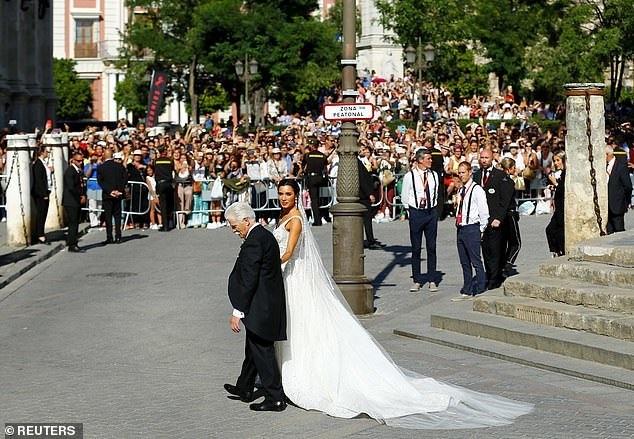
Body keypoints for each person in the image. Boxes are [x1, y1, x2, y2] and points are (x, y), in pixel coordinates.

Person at [272, 178, 532, 428]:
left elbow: (288, 253)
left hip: (295, 276)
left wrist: (266, 263)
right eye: (281, 193)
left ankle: (304, 372)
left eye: (288, 194)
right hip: (289, 278)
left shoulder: (295, 220)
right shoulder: (283, 216)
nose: (284, 198)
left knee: (303, 322)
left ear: (297, 195)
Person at [224, 202, 287, 412]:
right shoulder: (261, 236)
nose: (234, 230)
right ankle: (245, 387)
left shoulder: (255, 241)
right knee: (253, 348)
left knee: (262, 351)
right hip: (265, 304)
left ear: (246, 220)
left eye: (234, 226)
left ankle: (275, 397)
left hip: (261, 306)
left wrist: (237, 311)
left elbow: (249, 279)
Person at [473, 148, 514, 290]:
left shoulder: (500, 175)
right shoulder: (476, 176)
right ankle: (490, 275)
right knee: (486, 251)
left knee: (496, 251)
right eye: (482, 157)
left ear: (492, 159)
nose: (484, 160)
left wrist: (499, 218)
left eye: (486, 158)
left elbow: (506, 199)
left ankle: (494, 279)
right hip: (481, 221)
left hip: (495, 220)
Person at [400, 148, 440, 292]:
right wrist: (410, 211)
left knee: (431, 247)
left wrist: (434, 210)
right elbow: (405, 196)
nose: (431, 160)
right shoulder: (410, 176)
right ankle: (417, 279)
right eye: (428, 158)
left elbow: (436, 193)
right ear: (420, 160)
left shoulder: (434, 175)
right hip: (416, 213)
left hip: (431, 212)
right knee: (416, 248)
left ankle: (431, 279)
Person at [453, 162, 489, 299]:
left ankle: (480, 287)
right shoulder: (461, 190)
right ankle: (467, 288)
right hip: (461, 227)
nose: (461, 175)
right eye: (459, 172)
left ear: (469, 172)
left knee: (475, 260)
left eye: (463, 172)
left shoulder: (477, 190)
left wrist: (481, 229)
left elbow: (484, 212)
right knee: (464, 261)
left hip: (472, 227)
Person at [97, 151, 128, 244]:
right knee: (117, 215)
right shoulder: (120, 166)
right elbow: (125, 179)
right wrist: (119, 190)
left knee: (108, 216)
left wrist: (110, 191)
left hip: (107, 194)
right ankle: (118, 236)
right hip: (117, 194)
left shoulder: (101, 167)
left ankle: (109, 237)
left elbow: (100, 181)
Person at [499, 157, 522, 277]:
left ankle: (503, 264)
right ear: (509, 169)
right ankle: (507, 264)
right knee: (516, 243)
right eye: (513, 167)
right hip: (510, 214)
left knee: (505, 242)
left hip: (503, 215)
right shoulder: (508, 182)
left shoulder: (498, 179)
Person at [358, 146, 385, 250]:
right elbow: (363, 180)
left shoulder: (359, 161)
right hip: (363, 195)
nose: (362, 151)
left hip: (362, 194)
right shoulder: (357, 163)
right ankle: (370, 241)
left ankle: (369, 240)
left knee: (365, 219)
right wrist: (369, 193)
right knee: (367, 219)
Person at [62, 151, 86, 253]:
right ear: (73, 160)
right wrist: (80, 196)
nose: (80, 162)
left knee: (75, 222)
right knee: (73, 223)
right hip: (71, 201)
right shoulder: (70, 171)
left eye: (82, 161)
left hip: (75, 200)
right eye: (78, 161)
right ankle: (72, 244)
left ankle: (73, 242)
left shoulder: (78, 171)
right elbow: (71, 187)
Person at [606, 145, 632, 234]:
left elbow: (628, 186)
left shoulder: (621, 166)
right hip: (606, 206)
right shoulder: (604, 166)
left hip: (617, 205)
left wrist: (626, 201)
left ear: (607, 154)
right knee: (608, 232)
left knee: (619, 231)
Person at [303, 138, 328, 226]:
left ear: (311, 146)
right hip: (320, 178)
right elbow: (325, 168)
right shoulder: (323, 156)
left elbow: (304, 168)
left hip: (311, 178)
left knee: (314, 200)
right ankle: (323, 216)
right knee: (321, 199)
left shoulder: (307, 155)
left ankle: (317, 220)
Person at [545, 152, 566, 257]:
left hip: (563, 207)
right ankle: (557, 251)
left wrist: (555, 183)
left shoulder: (566, 173)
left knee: (558, 230)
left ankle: (561, 251)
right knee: (550, 229)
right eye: (554, 161)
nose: (556, 163)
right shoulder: (560, 173)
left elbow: (564, 189)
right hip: (558, 207)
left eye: (558, 160)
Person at [31, 146, 52, 245]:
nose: (47, 153)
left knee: (44, 214)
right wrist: (43, 194)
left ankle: (41, 233)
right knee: (41, 214)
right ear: (42, 153)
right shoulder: (38, 164)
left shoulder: (43, 163)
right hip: (41, 194)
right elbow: (39, 181)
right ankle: (40, 235)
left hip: (46, 191)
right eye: (46, 151)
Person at [154, 147, 174, 231]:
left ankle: (165, 225)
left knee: (163, 205)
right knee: (169, 204)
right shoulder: (170, 161)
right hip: (169, 184)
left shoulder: (156, 161)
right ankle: (169, 223)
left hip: (160, 184)